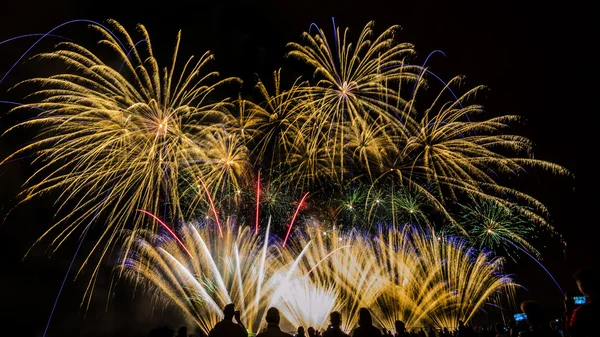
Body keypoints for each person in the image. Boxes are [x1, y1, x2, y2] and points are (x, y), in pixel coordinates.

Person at [565, 269, 598, 337]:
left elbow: (571, 332)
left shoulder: (580, 312)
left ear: (581, 286)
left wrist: (568, 311)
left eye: (578, 285)